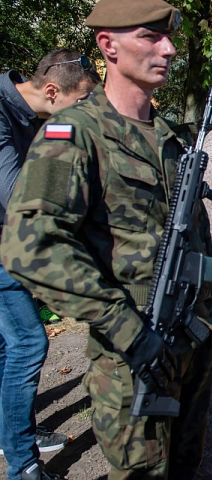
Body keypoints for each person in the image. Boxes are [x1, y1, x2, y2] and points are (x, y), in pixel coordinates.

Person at [1, 0, 212, 479]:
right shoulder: (76, 134)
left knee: (189, 467)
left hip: (191, 343)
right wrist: (126, 327)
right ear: (108, 46)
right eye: (150, 36)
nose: (167, 49)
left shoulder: (172, 138)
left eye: (168, 38)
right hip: (132, 354)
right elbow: (30, 246)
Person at [0, 49, 99, 480]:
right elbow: (16, 199)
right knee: (27, 345)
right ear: (53, 91)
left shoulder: (43, 117)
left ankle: (10, 433)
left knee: (8, 347)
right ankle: (22, 466)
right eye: (82, 104)